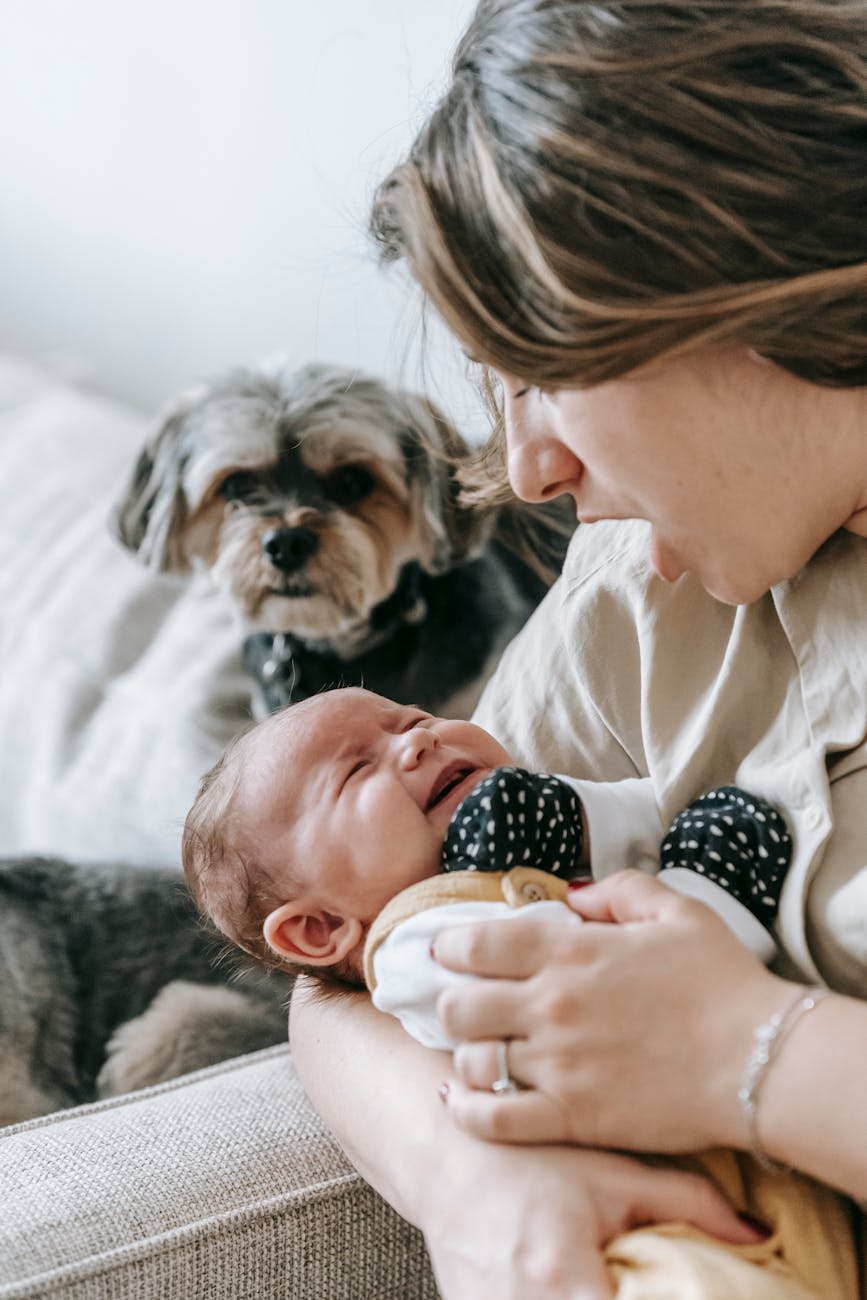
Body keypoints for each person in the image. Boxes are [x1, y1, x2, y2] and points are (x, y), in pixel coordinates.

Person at [289, 4, 867, 1297]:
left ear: (720, 271)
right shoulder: (636, 594)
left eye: (534, 376)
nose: (532, 467)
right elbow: (352, 964)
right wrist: (464, 1174)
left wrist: (747, 1055)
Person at [183, 686, 853, 1300]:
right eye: (356, 770)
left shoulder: (537, 864)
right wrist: (707, 892)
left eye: (414, 719)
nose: (417, 741)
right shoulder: (418, 941)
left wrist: (567, 814)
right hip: (648, 1225)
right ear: (320, 927)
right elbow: (616, 990)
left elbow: (655, 811)